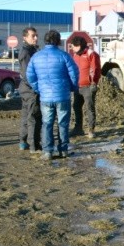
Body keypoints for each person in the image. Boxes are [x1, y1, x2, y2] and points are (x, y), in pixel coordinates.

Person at [26, 30, 79, 160]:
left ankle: (48, 151)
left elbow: (30, 76)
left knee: (47, 124)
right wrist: (72, 87)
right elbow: (74, 73)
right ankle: (63, 150)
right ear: (58, 41)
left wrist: (38, 88)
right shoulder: (64, 56)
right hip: (63, 95)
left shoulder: (36, 57)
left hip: (45, 96)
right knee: (63, 123)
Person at [69, 36, 101, 139]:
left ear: (78, 46)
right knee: (76, 107)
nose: (72, 48)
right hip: (77, 86)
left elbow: (95, 69)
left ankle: (91, 130)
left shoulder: (91, 54)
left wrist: (93, 83)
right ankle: (78, 128)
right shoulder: (75, 55)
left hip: (88, 86)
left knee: (89, 108)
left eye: (73, 46)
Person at [17, 27, 42, 152]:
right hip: (30, 89)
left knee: (26, 115)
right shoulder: (26, 52)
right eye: (33, 36)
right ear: (25, 37)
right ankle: (33, 145)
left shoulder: (32, 50)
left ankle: (23, 141)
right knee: (33, 116)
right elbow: (28, 74)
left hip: (26, 88)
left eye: (36, 35)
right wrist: (36, 88)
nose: (36, 38)